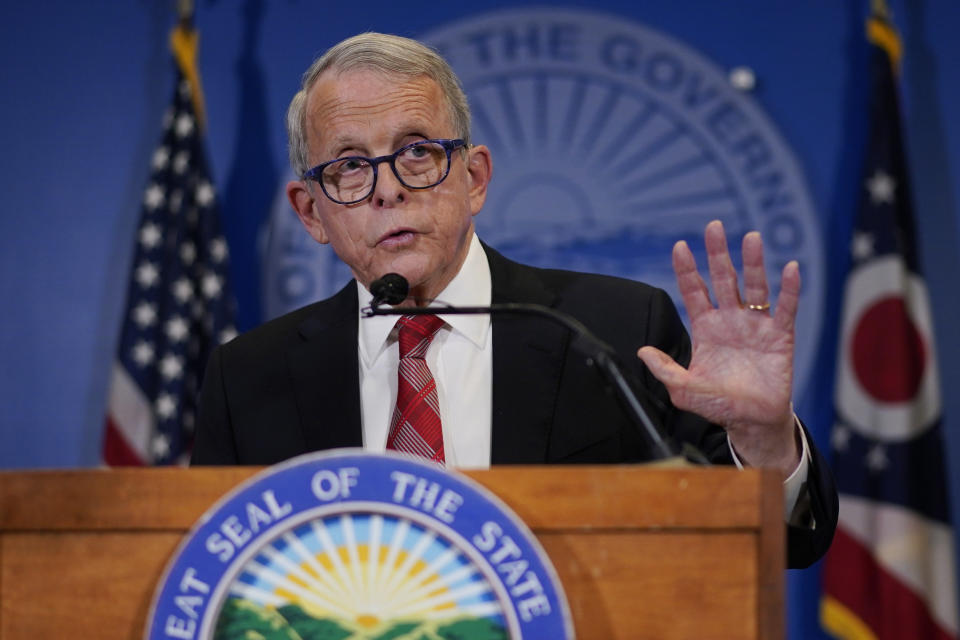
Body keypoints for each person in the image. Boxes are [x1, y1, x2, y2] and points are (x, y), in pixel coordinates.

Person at [192, 32, 837, 568]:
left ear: (474, 178)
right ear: (311, 212)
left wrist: (764, 444)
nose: (387, 190)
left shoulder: (613, 331)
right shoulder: (248, 380)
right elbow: (216, 575)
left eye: (416, 152)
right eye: (351, 166)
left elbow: (777, 545)